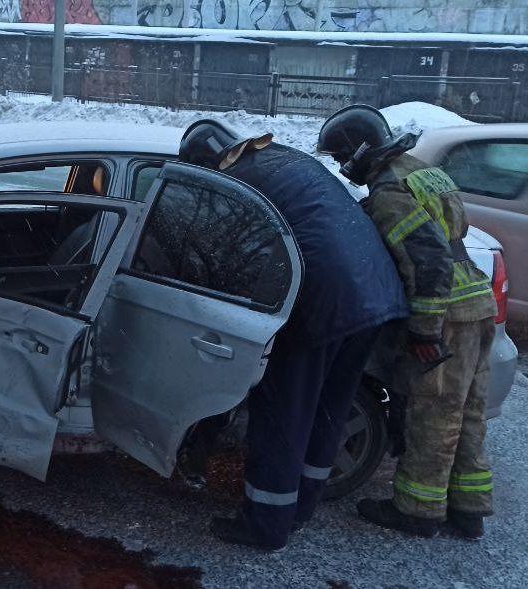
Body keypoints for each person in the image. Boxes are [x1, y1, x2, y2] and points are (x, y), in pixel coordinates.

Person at [178, 119, 407, 551]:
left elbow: (227, 252)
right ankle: (299, 509)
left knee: (283, 413)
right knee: (326, 409)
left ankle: (265, 526)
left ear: (204, 164)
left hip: (325, 297)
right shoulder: (282, 158)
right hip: (375, 290)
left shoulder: (237, 184)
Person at [317, 104, 498, 540]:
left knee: (431, 413)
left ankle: (417, 510)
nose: (344, 168)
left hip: (445, 311)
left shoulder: (389, 192)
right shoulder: (417, 169)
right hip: (476, 300)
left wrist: (424, 330)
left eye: (342, 158)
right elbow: (442, 235)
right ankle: (468, 508)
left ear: (359, 151)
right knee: (466, 412)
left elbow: (429, 261)